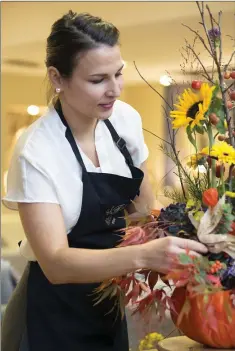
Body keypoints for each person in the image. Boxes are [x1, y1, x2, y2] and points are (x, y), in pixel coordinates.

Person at [2, 11, 208, 351]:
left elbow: (143, 211)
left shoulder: (124, 119)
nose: (113, 90)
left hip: (109, 302)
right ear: (57, 77)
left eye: (119, 74)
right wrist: (145, 256)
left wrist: (198, 233)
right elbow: (55, 263)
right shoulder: (36, 151)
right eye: (97, 80)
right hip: (50, 315)